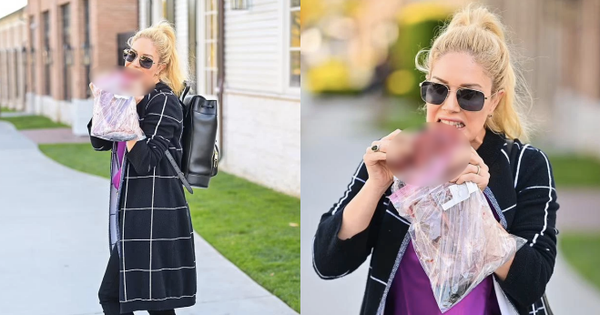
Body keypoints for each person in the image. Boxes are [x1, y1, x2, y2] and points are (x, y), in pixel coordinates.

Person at [312, 5, 559, 315]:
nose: (449, 106)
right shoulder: (397, 157)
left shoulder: (526, 165)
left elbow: (532, 283)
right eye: (438, 90)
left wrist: (479, 209)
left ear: (494, 101)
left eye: (469, 95)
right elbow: (327, 263)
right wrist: (376, 186)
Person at [87, 21, 195, 315]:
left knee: (117, 297)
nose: (134, 63)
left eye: (144, 60)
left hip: (155, 215)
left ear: (160, 67)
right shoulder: (128, 94)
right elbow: (99, 141)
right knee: (148, 303)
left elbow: (146, 161)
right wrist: (106, 104)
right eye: (130, 55)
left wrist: (127, 113)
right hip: (134, 212)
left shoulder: (164, 102)